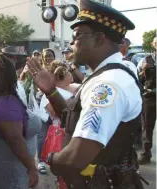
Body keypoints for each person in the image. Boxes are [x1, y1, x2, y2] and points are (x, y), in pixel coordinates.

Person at [27, 1, 144, 188]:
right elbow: (77, 119)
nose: (72, 43)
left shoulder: (108, 84)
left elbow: (75, 158)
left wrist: (51, 159)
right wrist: (51, 91)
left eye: (77, 35)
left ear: (99, 39)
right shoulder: (103, 75)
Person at [0, 53, 38, 189]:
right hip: (10, 171)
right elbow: (15, 138)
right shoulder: (5, 103)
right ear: (9, 75)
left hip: (8, 167)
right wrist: (32, 168)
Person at [138, 39, 156, 164]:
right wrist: (142, 70)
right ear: (153, 45)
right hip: (149, 96)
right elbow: (137, 77)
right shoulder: (145, 59)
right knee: (147, 126)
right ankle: (146, 154)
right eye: (156, 43)